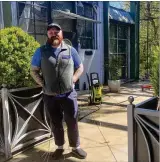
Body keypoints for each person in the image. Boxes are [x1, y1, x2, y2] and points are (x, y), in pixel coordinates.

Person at [30, 23, 87, 160]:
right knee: (56, 123)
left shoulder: (70, 50)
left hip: (69, 94)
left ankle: (75, 147)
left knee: (72, 121)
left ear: (61, 34)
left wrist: (73, 79)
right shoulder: (41, 51)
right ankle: (59, 147)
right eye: (50, 32)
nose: (53, 33)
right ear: (48, 35)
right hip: (50, 96)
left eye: (56, 31)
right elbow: (33, 70)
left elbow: (80, 67)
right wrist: (43, 83)